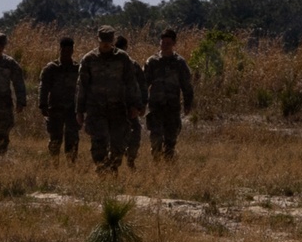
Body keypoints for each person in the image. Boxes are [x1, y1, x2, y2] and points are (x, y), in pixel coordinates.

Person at [75, 25, 146, 173]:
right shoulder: (89, 59)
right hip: (96, 109)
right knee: (99, 143)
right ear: (98, 40)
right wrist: (79, 111)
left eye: (108, 41)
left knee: (118, 144)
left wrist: (135, 105)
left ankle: (113, 170)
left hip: (118, 108)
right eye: (103, 41)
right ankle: (101, 171)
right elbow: (82, 86)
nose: (105, 44)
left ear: (113, 40)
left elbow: (131, 82)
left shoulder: (122, 58)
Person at [144, 27, 194, 159]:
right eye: (162, 42)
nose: (165, 45)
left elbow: (186, 85)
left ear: (173, 44)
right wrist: (140, 103)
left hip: (172, 107)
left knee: (170, 141)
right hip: (155, 107)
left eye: (168, 43)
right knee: (156, 139)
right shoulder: (152, 62)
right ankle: (156, 164)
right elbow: (143, 84)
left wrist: (188, 104)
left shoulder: (179, 63)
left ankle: (168, 167)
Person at [38, 35, 79, 161]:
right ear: (60, 49)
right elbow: (43, 87)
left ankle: (71, 165)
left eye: (69, 50)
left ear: (72, 51)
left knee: (72, 138)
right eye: (64, 50)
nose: (66, 53)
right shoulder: (51, 68)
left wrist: (83, 108)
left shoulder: (78, 68)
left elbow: (83, 89)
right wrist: (43, 105)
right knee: (55, 139)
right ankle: (54, 164)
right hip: (55, 108)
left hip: (73, 110)